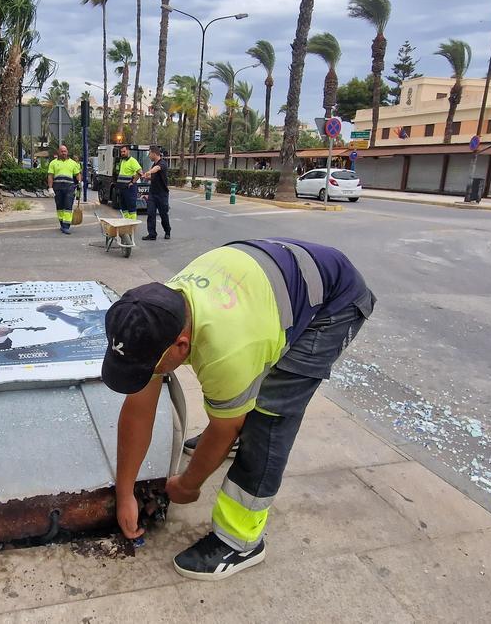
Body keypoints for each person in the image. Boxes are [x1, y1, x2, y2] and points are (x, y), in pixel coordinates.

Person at [102, 239, 375, 580]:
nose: (145, 376)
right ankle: (232, 414)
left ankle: (241, 541)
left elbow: (223, 428)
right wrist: (124, 491)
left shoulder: (227, 350)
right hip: (271, 282)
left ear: (182, 345)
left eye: (149, 367)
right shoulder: (156, 310)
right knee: (234, 406)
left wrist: (188, 485)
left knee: (268, 418)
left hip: (335, 301)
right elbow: (138, 409)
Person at [46, 145, 82, 234]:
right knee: (60, 207)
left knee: (68, 206)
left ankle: (66, 226)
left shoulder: (73, 163)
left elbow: (77, 174)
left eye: (65, 151)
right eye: (62, 151)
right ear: (59, 152)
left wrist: (80, 182)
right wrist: (50, 188)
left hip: (69, 188)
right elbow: (50, 176)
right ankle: (62, 223)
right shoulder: (53, 163)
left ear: (67, 152)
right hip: (57, 188)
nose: (63, 153)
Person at [141, 145, 171, 241]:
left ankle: (167, 231)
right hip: (153, 194)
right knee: (150, 213)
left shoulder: (162, 163)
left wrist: (149, 172)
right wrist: (146, 177)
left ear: (154, 153)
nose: (149, 156)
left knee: (163, 214)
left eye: (149, 153)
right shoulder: (153, 164)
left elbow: (157, 169)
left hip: (162, 194)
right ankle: (152, 234)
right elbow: (154, 176)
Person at [116, 145, 142, 221]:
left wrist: (132, 182)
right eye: (121, 152)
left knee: (131, 208)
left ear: (128, 151)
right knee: (123, 207)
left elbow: (140, 172)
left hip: (129, 188)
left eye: (124, 151)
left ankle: (132, 226)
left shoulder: (132, 161)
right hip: (122, 188)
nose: (122, 153)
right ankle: (126, 224)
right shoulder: (123, 161)